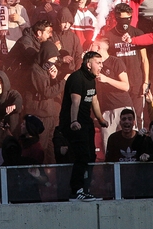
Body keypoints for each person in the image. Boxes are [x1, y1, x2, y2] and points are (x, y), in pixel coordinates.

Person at [59, 50, 107, 201]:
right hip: (73, 123)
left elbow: (94, 101)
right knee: (82, 155)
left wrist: (100, 119)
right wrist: (74, 121)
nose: (101, 66)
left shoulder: (91, 80)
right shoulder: (76, 78)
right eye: (98, 63)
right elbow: (75, 102)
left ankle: (86, 189)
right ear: (88, 64)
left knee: (91, 155)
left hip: (86, 122)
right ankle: (76, 191)